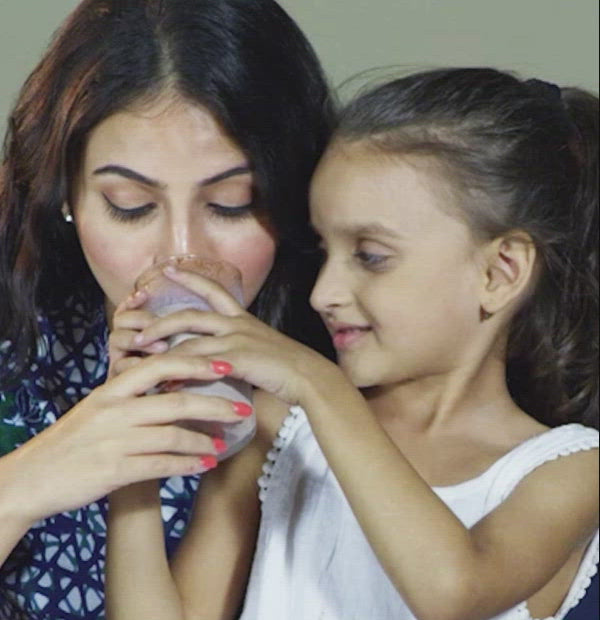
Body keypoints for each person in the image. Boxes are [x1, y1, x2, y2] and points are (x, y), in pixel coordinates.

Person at [106, 67, 598, 620]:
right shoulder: (278, 432)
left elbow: (453, 592)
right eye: (324, 251)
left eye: (370, 256)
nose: (323, 293)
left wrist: (318, 382)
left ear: (499, 272)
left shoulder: (570, 471)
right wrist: (134, 466)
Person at [0, 0, 334, 617]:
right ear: (65, 192)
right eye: (130, 205)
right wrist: (22, 485)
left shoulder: (330, 379)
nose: (182, 257)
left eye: (233, 203)